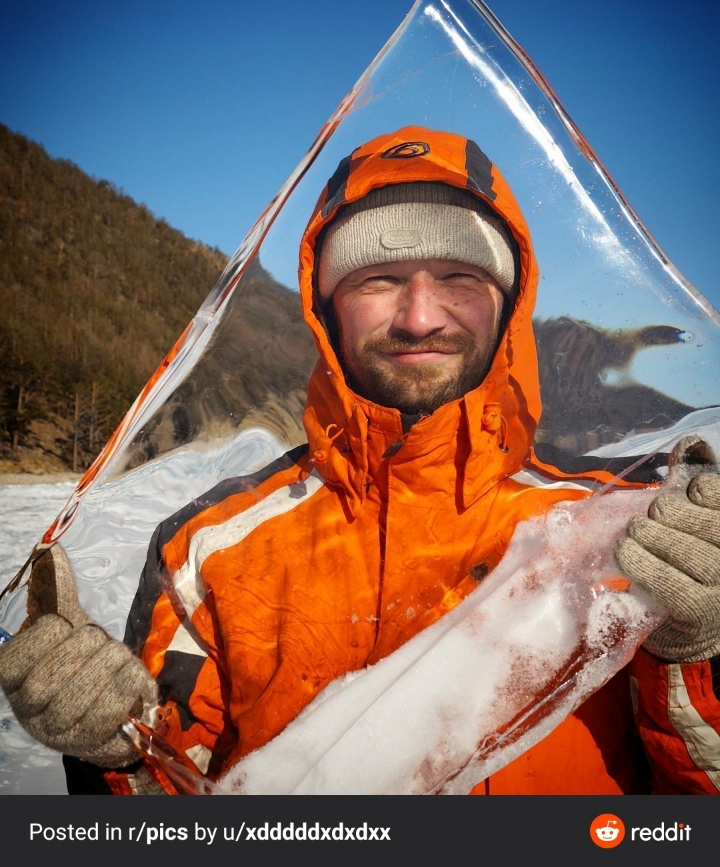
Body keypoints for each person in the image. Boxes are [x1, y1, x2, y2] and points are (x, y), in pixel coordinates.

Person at [1, 126, 719, 795]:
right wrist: (115, 748)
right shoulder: (208, 546)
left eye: (459, 278)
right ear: (325, 304)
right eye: (377, 279)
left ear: (508, 302)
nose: (419, 316)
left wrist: (697, 650)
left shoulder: (623, 528)